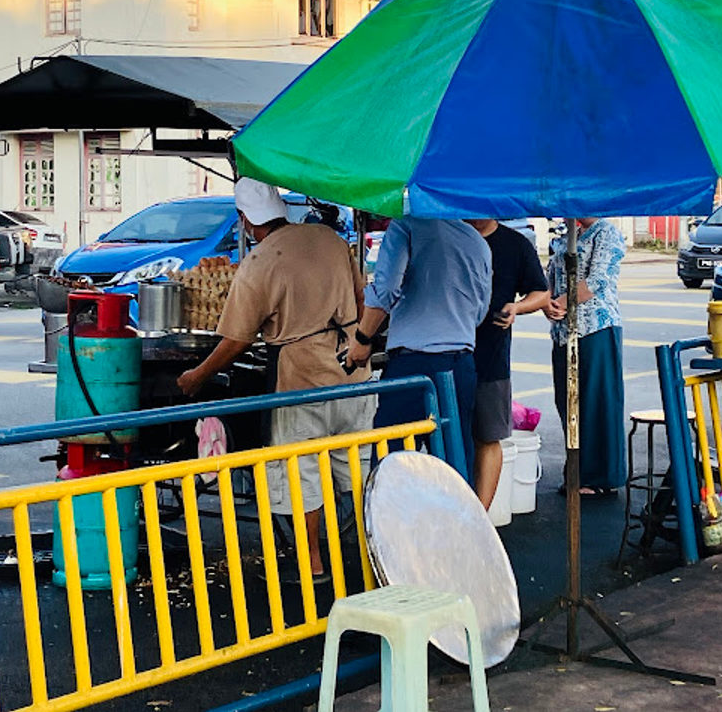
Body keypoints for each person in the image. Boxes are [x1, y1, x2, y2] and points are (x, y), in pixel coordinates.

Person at [177, 178, 371, 580]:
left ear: (246, 220)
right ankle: (378, 553)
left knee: (303, 473)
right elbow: (362, 297)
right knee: (356, 469)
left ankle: (312, 563)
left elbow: (235, 340)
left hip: (301, 380)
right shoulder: (330, 239)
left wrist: (197, 376)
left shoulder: (260, 262)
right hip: (353, 372)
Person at [345, 216, 491, 472]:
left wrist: (362, 338)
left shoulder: (406, 226)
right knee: (452, 465)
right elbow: (479, 312)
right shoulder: (477, 242)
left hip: (413, 366)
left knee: (392, 465)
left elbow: (386, 289)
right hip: (461, 366)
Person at [467, 219, 549, 509]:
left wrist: (518, 307)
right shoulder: (450, 237)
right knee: (449, 436)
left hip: (491, 354)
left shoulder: (515, 244)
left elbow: (541, 292)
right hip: (446, 353)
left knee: (488, 437)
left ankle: (480, 516)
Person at [545, 217, 627, 496]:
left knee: (595, 401)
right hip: (562, 330)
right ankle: (577, 471)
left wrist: (563, 302)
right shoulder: (566, 234)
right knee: (568, 402)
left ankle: (599, 477)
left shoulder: (606, 233)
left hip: (595, 327)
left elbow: (598, 279)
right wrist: (549, 304)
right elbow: (550, 278)